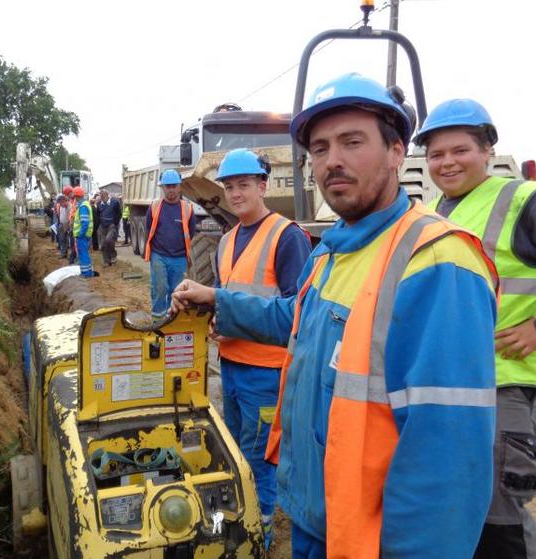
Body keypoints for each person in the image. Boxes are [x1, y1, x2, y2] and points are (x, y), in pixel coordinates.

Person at [171, 73, 499, 558]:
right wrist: (219, 300)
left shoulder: (436, 264)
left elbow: (447, 466)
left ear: (395, 151)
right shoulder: (333, 252)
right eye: (320, 149)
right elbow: (296, 323)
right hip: (318, 518)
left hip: (367, 537)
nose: (333, 161)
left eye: (352, 142)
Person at [414, 99, 536, 559]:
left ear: (487, 150)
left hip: (505, 388)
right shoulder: (436, 211)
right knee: (464, 512)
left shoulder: (521, 200)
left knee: (505, 521)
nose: (447, 163)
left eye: (460, 150)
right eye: (437, 154)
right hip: (453, 387)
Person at [212, 147, 311, 548]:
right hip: (230, 367)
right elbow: (228, 296)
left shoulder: (287, 237)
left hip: (265, 374)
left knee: (258, 462)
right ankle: (234, 524)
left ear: (263, 186)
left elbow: (297, 313)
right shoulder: (226, 240)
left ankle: (260, 535)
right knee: (232, 454)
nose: (236, 194)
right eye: (230, 187)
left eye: (244, 185)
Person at [144, 169, 196, 320]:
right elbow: (149, 230)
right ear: (162, 188)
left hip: (179, 257)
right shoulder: (154, 207)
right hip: (159, 255)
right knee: (160, 288)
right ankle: (158, 320)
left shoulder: (187, 208)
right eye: (168, 186)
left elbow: (190, 232)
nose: (171, 189)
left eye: (174, 186)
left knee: (177, 291)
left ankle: (173, 320)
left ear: (180, 187)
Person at [72, 185, 94, 278]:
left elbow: (85, 222)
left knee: (83, 254)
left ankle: (86, 273)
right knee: (85, 253)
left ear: (77, 196)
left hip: (82, 235)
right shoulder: (85, 204)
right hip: (85, 235)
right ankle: (88, 271)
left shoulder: (83, 207)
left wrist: (80, 234)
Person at [97, 189, 122, 267]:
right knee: (103, 244)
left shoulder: (115, 202)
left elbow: (119, 214)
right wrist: (98, 225)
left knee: (109, 240)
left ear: (107, 195)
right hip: (102, 225)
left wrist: (115, 223)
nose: (102, 198)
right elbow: (98, 215)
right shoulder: (99, 204)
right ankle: (106, 261)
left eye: (103, 196)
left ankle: (113, 255)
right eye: (101, 196)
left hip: (111, 225)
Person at [58, 186, 73, 258]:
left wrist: (68, 226)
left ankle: (70, 255)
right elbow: (60, 215)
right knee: (62, 239)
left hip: (68, 225)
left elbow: (70, 218)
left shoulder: (70, 206)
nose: (60, 205)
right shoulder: (61, 206)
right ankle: (63, 253)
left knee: (69, 241)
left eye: (60, 203)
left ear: (64, 201)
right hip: (62, 224)